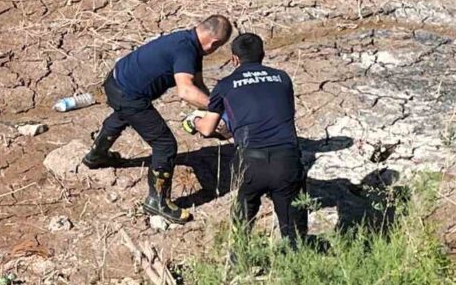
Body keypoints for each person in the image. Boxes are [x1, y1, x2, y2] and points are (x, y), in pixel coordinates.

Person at [83, 15, 232, 224]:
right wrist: (219, 110)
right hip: (128, 94)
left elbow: (197, 84)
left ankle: (96, 156)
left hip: (116, 79)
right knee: (165, 144)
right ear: (215, 43)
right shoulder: (186, 50)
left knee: (122, 115)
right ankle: (158, 201)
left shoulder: (188, 41)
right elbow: (186, 91)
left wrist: (211, 113)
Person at [190, 33, 308, 245]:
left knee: (243, 220)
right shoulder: (282, 78)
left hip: (251, 164)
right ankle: (296, 262)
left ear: (234, 59)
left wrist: (193, 122)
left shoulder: (225, 85)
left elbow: (208, 129)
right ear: (262, 55)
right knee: (295, 236)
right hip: (286, 161)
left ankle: (239, 262)